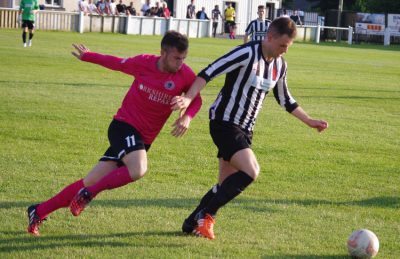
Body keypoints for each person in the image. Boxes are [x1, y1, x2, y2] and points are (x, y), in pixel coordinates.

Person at [26, 31, 202, 237]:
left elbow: (196, 99)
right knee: (138, 169)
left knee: (90, 180)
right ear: (163, 52)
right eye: (177, 58)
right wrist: (88, 56)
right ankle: (89, 194)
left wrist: (187, 115)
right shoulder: (143, 63)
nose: (181, 63)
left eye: (184, 58)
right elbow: (116, 62)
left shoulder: (185, 75)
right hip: (123, 127)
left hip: (143, 140)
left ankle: (38, 211)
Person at [171, 17, 328, 240]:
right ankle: (207, 215)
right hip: (224, 123)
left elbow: (285, 99)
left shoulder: (280, 65)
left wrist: (310, 121)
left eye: (288, 47)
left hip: (246, 129)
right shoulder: (246, 53)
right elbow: (209, 72)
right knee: (251, 171)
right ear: (270, 37)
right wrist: (187, 99)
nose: (284, 51)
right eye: (282, 45)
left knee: (225, 184)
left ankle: (191, 222)